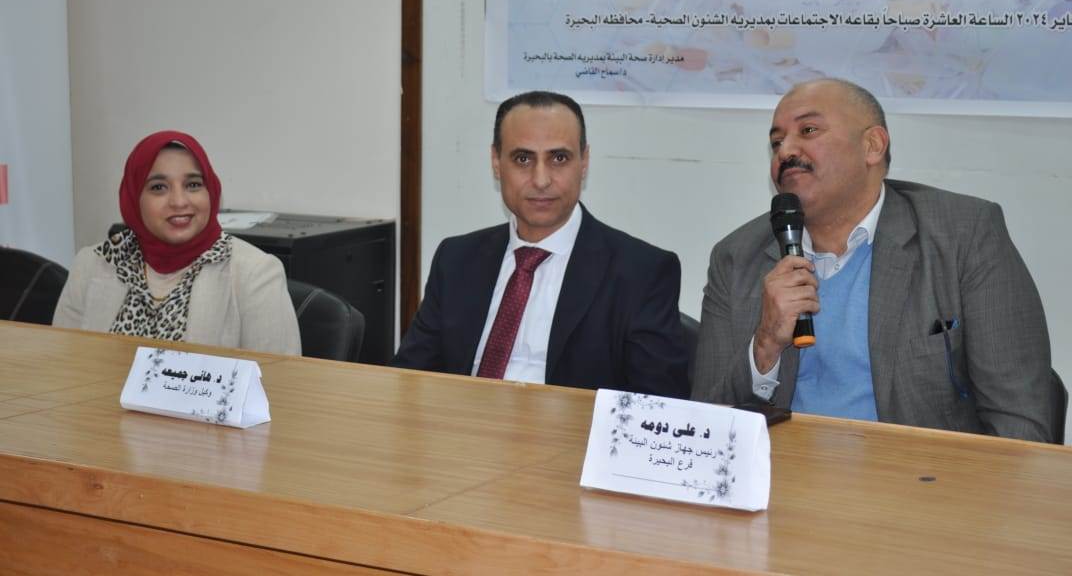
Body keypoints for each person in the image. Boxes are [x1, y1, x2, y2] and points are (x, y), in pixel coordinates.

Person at [692, 78, 1057, 442]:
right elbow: (704, 423)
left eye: (808, 130)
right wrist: (765, 345)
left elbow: (1020, 419)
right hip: (784, 470)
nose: (785, 151)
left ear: (872, 146)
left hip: (922, 471)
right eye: (776, 142)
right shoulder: (736, 258)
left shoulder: (964, 235)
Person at [392, 91, 689, 397]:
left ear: (584, 162)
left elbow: (659, 408)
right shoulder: (456, 260)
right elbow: (409, 380)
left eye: (559, 158)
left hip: (571, 428)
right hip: (463, 424)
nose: (541, 180)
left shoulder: (642, 273)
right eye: (523, 159)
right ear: (496, 162)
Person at [53, 130, 301, 355]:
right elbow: (63, 365)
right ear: (134, 197)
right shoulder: (94, 263)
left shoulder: (256, 274)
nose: (179, 201)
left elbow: (280, 381)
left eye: (193, 185)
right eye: (158, 187)